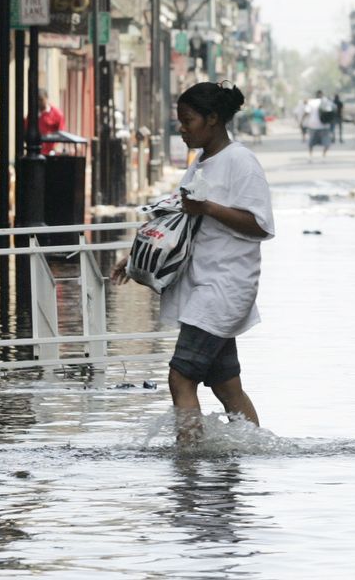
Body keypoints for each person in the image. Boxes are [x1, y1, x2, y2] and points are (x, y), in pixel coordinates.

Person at [114, 81, 274, 446]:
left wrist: (208, 208)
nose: (181, 129)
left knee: (179, 376)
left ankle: (188, 459)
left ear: (213, 119)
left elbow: (260, 225)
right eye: (180, 122)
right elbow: (179, 217)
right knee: (226, 385)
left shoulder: (241, 162)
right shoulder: (200, 163)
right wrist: (136, 256)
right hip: (203, 284)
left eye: (187, 121)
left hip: (225, 287)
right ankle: (254, 451)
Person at [32, 90, 65, 156]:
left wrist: (55, 148)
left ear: (46, 98)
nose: (39, 103)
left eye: (41, 100)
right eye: (37, 100)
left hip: (51, 153)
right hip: (36, 151)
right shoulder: (33, 113)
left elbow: (61, 133)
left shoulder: (57, 114)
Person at [301, 90, 331, 159]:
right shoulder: (326, 102)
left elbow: (306, 112)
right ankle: (324, 155)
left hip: (313, 125)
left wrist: (301, 121)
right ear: (322, 95)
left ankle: (311, 155)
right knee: (326, 142)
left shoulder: (311, 102)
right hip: (324, 126)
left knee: (311, 142)